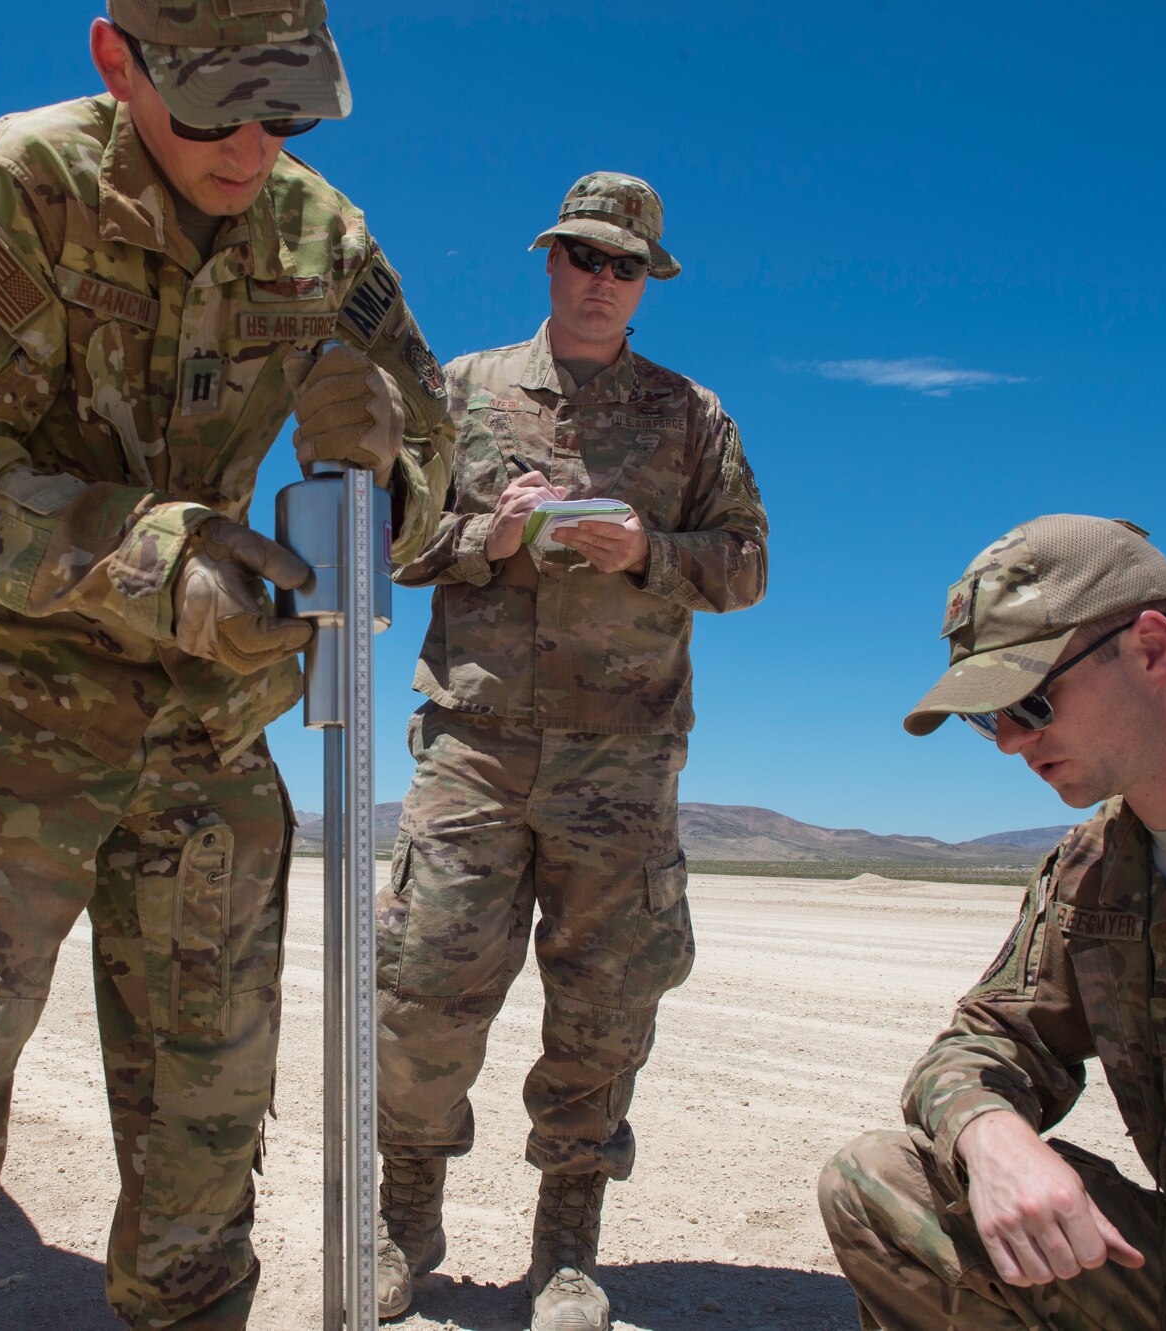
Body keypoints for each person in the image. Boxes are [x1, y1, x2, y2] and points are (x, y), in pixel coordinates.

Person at [0, 4, 452, 1327]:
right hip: (7, 720)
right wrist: (172, 565)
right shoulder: (22, 184)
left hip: (206, 744)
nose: (253, 145)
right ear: (117, 59)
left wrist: (386, 471)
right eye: (217, 107)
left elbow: (434, 498)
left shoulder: (324, 238)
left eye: (289, 110)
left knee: (204, 1161)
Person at [819, 514, 1166, 1330]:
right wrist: (989, 1131)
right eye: (987, 718)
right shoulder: (1093, 868)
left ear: (1151, 648)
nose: (1010, 743)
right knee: (882, 1179)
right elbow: (983, 1040)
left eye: (1029, 701)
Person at [371, 172, 770, 1329]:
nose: (601, 281)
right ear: (547, 261)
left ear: (648, 282)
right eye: (583, 257)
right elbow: (394, 539)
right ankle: (405, 1218)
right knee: (424, 984)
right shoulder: (462, 390)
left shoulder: (691, 416)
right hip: (475, 747)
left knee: (602, 1003)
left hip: (622, 759)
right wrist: (482, 537)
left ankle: (567, 1248)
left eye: (624, 265)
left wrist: (647, 546)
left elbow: (743, 563)